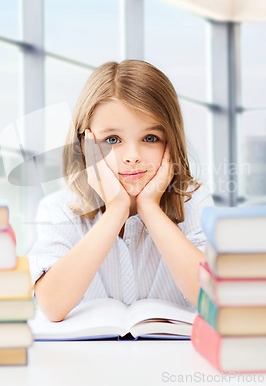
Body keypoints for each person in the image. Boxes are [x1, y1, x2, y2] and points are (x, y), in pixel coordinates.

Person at [27, 60, 213, 322]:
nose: (133, 156)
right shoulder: (59, 208)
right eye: (112, 140)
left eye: (150, 138)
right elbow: (52, 305)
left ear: (171, 142)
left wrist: (150, 208)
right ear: (86, 144)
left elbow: (213, 298)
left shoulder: (194, 203)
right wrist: (116, 209)